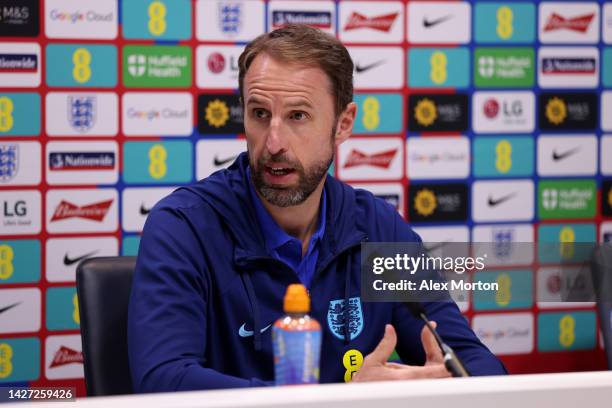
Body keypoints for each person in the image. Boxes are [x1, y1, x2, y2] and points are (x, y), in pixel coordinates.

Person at [127, 24, 506, 393]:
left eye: (298, 116)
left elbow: (476, 363)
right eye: (260, 114)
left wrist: (441, 382)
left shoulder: (378, 228)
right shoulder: (184, 227)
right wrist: (342, 400)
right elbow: (164, 381)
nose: (274, 142)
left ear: (343, 124)